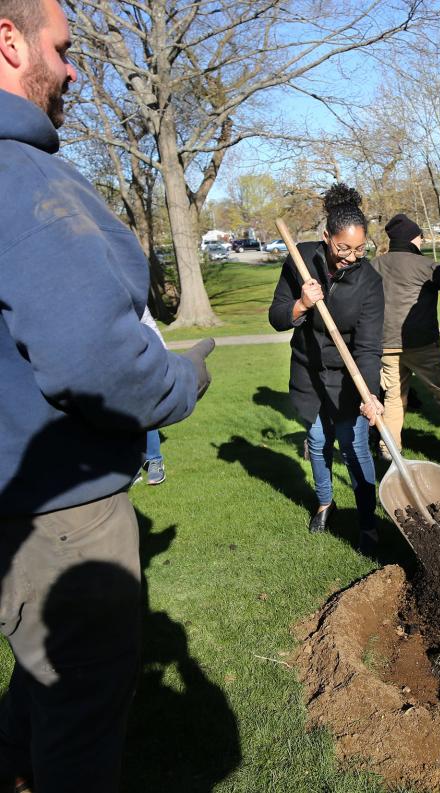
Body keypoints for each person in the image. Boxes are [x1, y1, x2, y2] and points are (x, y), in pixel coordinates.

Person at [0, 1, 214, 789]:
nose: (73, 70)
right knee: (80, 715)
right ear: (10, 40)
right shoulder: (19, 177)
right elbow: (98, 358)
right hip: (58, 515)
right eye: (62, 48)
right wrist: (181, 380)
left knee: (38, 679)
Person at [268, 184, 384, 553]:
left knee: (355, 448)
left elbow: (368, 347)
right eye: (343, 247)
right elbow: (277, 317)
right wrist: (301, 305)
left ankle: (368, 521)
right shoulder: (299, 259)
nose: (352, 256)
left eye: (360, 249)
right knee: (318, 442)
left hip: (348, 375)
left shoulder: (370, 282)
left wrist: (370, 394)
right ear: (326, 238)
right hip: (308, 370)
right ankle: (324, 502)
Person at [370, 213, 440, 459]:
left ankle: (388, 449)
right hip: (421, 344)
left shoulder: (374, 265)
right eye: (419, 237)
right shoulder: (427, 266)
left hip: (385, 344)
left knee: (394, 397)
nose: (421, 241)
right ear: (411, 239)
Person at [139, 306, 167, 486]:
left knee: (146, 410)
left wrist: (164, 356)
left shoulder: (129, 289)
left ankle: (155, 461)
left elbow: (148, 322)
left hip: (138, 359)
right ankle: (130, 468)